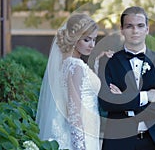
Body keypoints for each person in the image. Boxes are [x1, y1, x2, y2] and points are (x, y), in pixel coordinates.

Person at [98, 6, 155, 150]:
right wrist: (145, 97)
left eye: (140, 26)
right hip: (118, 141)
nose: (135, 31)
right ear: (122, 29)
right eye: (129, 26)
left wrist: (124, 100)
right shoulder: (108, 62)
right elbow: (106, 102)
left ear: (147, 29)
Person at [36, 13, 112, 150]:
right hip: (83, 133)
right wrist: (80, 146)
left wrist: (96, 64)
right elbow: (74, 111)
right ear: (75, 38)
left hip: (90, 127)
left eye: (94, 40)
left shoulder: (69, 64)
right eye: (87, 40)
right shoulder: (75, 67)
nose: (92, 45)